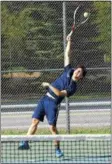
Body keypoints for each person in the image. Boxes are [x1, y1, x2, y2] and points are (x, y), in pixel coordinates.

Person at [18, 33, 87, 157]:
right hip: (44, 99)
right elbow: (67, 55)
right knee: (34, 121)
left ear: (81, 77)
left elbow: (60, 93)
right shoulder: (68, 70)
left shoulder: (72, 88)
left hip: (53, 104)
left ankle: (57, 150)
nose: (77, 71)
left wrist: (49, 85)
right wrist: (69, 41)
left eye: (80, 72)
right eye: (78, 69)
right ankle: (26, 142)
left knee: (52, 128)